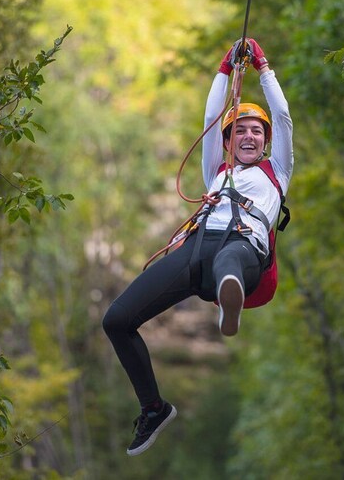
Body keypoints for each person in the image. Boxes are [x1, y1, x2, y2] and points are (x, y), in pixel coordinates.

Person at [102, 38, 294, 456]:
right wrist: (224, 69)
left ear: (266, 141)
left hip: (245, 250)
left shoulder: (277, 172)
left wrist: (263, 68)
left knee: (230, 259)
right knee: (116, 319)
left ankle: (230, 299)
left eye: (256, 132)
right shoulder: (216, 171)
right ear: (227, 141)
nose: (247, 136)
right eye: (239, 130)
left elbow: (281, 114)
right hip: (196, 250)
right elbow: (211, 116)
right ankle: (153, 408)